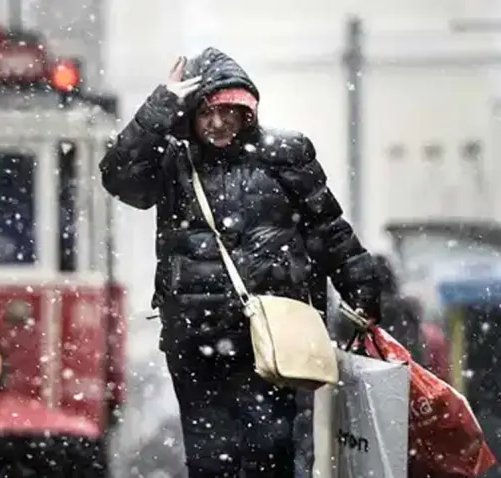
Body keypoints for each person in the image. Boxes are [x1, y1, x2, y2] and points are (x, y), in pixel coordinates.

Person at [100, 49, 382, 477]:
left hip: (276, 339)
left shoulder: (286, 153)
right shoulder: (176, 161)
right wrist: (161, 103)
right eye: (207, 112)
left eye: (229, 111)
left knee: (276, 455)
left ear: (247, 111)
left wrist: (363, 289)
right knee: (212, 462)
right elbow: (119, 177)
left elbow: (328, 229)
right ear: (190, 114)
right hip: (198, 342)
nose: (218, 123)